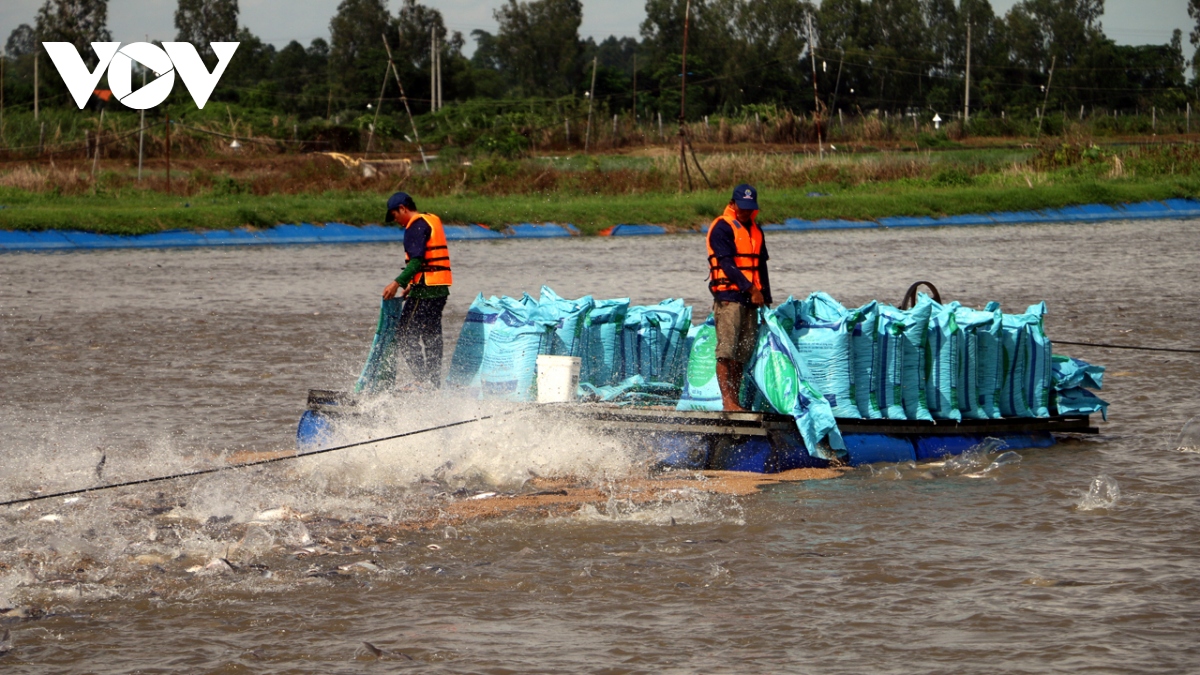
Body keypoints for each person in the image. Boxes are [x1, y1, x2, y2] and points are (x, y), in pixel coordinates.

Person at [706, 183, 772, 411]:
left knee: (741, 354)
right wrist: (750, 289)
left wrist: (765, 296)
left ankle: (736, 401)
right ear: (733, 204)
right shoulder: (722, 228)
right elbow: (727, 264)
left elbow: (760, 266)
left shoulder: (756, 229)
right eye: (741, 207)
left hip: (750, 300)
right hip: (729, 298)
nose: (745, 212)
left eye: (749, 207)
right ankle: (728, 403)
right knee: (726, 351)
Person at [381, 192, 452, 387]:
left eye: (395, 215)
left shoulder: (414, 226)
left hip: (426, 291)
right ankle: (434, 384)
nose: (396, 221)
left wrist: (397, 283)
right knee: (431, 336)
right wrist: (412, 283)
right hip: (439, 289)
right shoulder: (431, 220)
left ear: (403, 208)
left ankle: (422, 380)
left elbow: (417, 260)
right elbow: (428, 260)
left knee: (403, 335)